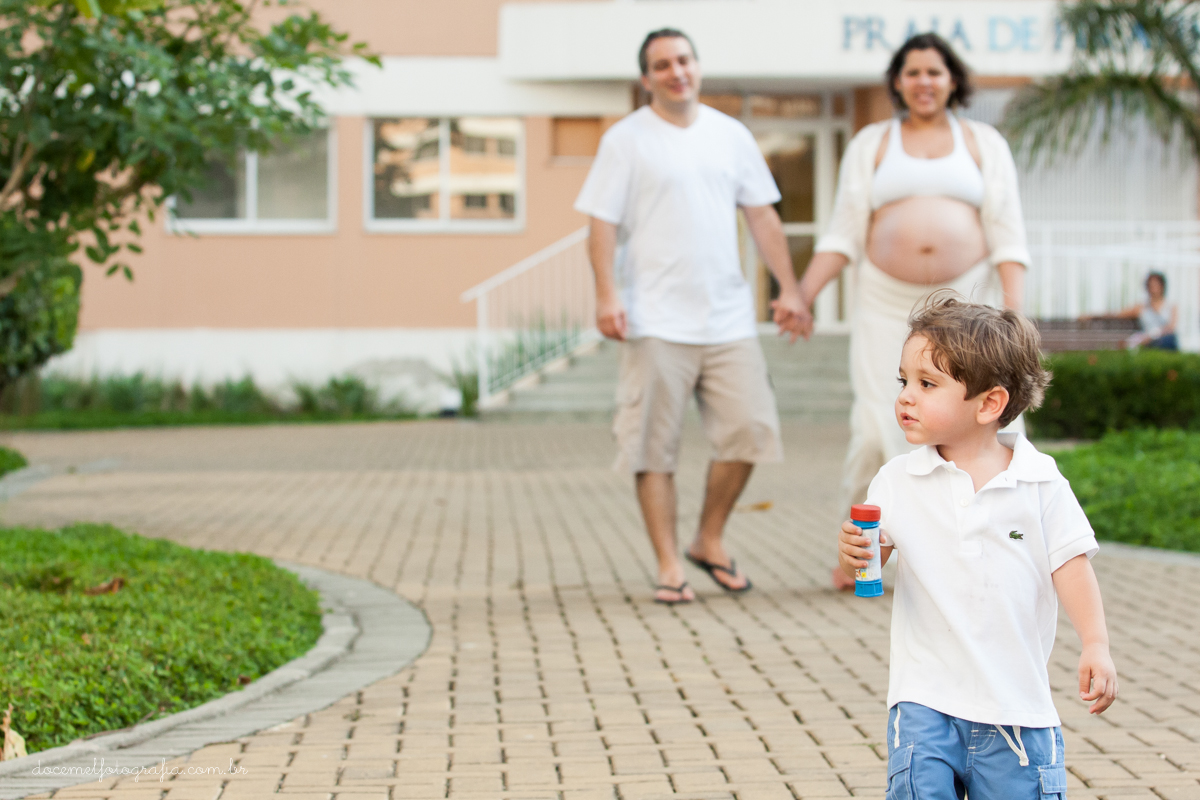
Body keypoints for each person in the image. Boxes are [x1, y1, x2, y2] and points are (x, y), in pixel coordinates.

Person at [838, 294, 1118, 799]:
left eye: (928, 384)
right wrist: (862, 553)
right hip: (924, 701)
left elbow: (1071, 565)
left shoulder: (1039, 481)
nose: (906, 397)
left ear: (990, 404)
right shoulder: (896, 478)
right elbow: (873, 560)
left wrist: (1095, 643)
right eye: (904, 381)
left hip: (1015, 710)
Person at [575, 28, 811, 605]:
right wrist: (608, 295)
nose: (676, 71)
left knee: (751, 432)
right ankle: (667, 564)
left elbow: (763, 218)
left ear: (697, 66)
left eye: (683, 60)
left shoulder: (731, 135)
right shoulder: (626, 140)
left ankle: (708, 539)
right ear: (646, 78)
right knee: (651, 447)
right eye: (662, 65)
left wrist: (791, 289)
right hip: (655, 319)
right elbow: (601, 224)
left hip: (727, 319)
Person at [794, 33, 1030, 590]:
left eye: (935, 72)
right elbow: (844, 231)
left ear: (953, 80)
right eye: (914, 72)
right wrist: (800, 296)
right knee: (878, 425)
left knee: (975, 423)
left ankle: (985, 547)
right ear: (898, 82)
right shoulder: (873, 143)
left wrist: (1015, 313)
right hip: (884, 304)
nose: (924, 82)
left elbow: (1008, 232)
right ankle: (861, 555)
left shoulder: (983, 143)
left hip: (967, 301)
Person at [1112, 272, 1178, 350]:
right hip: (1148, 342)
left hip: (1164, 339)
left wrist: (1151, 336)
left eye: (1156, 285)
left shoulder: (1171, 306)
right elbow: (1118, 314)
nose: (1153, 288)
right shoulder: (1141, 307)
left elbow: (1171, 327)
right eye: (1151, 285)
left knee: (1169, 339)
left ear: (1162, 286)